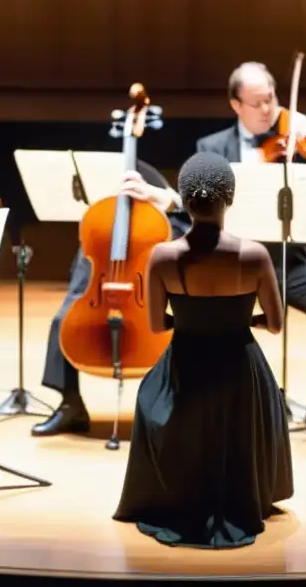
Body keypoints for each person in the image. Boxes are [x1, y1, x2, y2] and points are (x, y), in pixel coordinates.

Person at [113, 151, 293, 548]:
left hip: (187, 362)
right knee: (267, 397)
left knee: (148, 395)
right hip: (238, 369)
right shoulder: (255, 254)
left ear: (184, 199)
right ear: (229, 199)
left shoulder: (163, 255)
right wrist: (239, 320)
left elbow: (159, 325)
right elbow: (277, 324)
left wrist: (196, 320)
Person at [194, 61, 306, 438]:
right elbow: (207, 205)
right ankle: (223, 398)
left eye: (270, 99)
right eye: (256, 103)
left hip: (285, 259)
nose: (267, 110)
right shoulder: (211, 148)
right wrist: (256, 162)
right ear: (236, 105)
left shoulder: (299, 143)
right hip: (233, 262)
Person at [32, 161, 191, 436]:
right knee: (62, 320)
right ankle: (71, 404)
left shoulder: (159, 207)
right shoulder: (101, 206)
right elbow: (84, 271)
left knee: (187, 323)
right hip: (100, 282)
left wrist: (168, 201)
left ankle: (178, 406)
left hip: (146, 291)